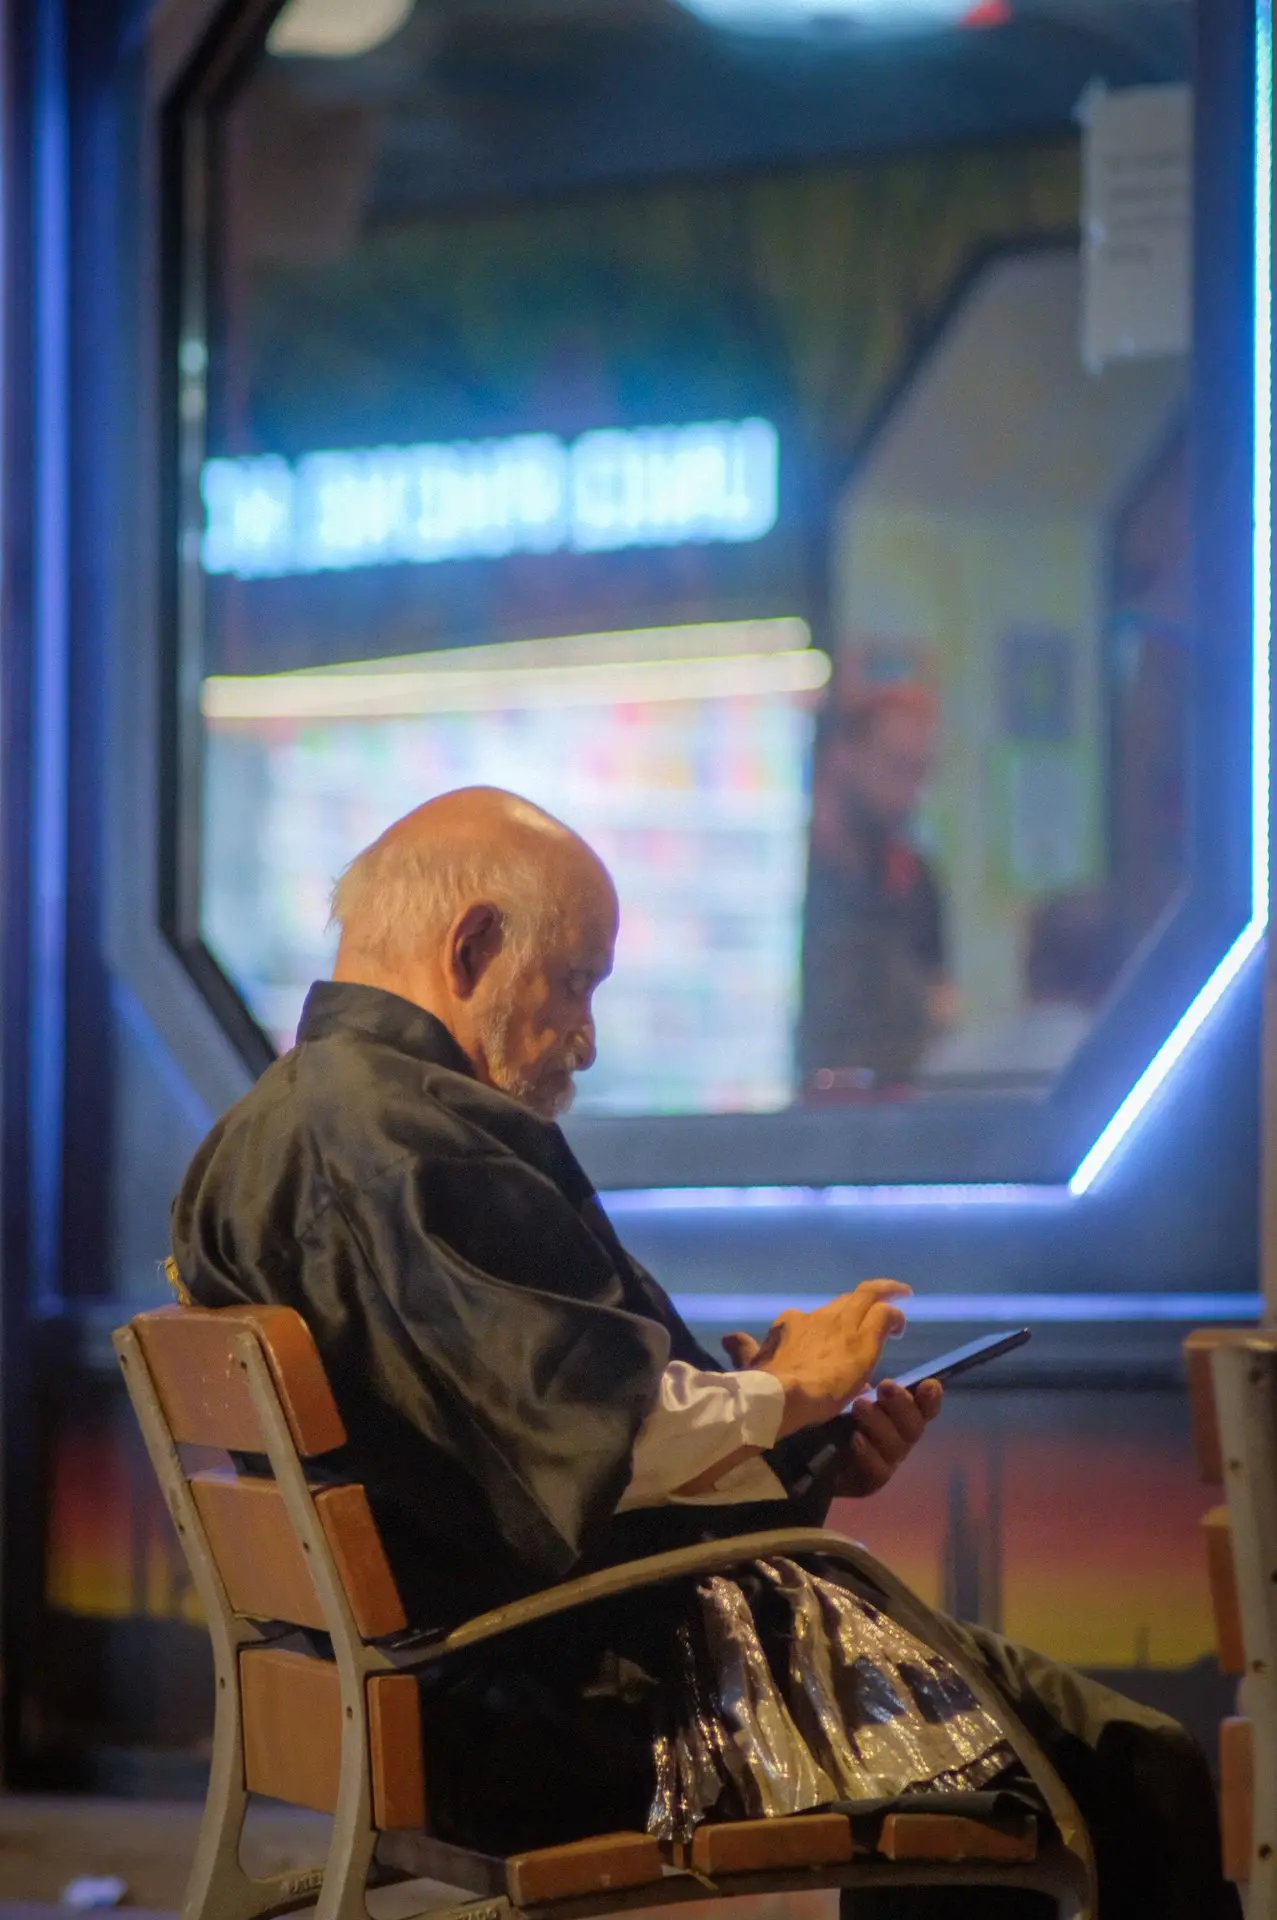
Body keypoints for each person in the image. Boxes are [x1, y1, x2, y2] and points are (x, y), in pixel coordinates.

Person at [171, 787, 1237, 1919]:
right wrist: (787, 1387)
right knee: (1121, 1767)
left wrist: (801, 1437)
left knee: (984, 1764)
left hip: (435, 1689)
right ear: (473, 944)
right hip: (559, 1711)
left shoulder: (270, 1132)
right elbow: (588, 1445)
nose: (583, 1034)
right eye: (574, 982)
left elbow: (495, 1451)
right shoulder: (404, 1140)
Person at [798, 679, 954, 1092]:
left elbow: (940, 1003)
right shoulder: (792, 875)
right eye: (896, 768)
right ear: (844, 757)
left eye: (919, 775)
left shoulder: (915, 880)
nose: (908, 795)